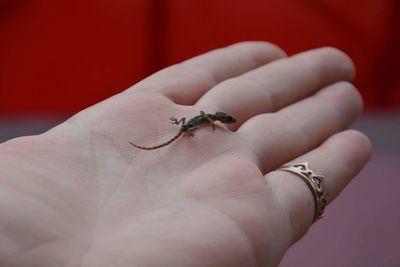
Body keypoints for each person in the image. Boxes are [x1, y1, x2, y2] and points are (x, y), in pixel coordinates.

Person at [0, 42, 372, 266]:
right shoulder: (204, 123)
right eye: (225, 120)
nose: (225, 121)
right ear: (218, 119)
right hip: (186, 124)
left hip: (187, 122)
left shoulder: (208, 120)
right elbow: (202, 123)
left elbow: (206, 120)